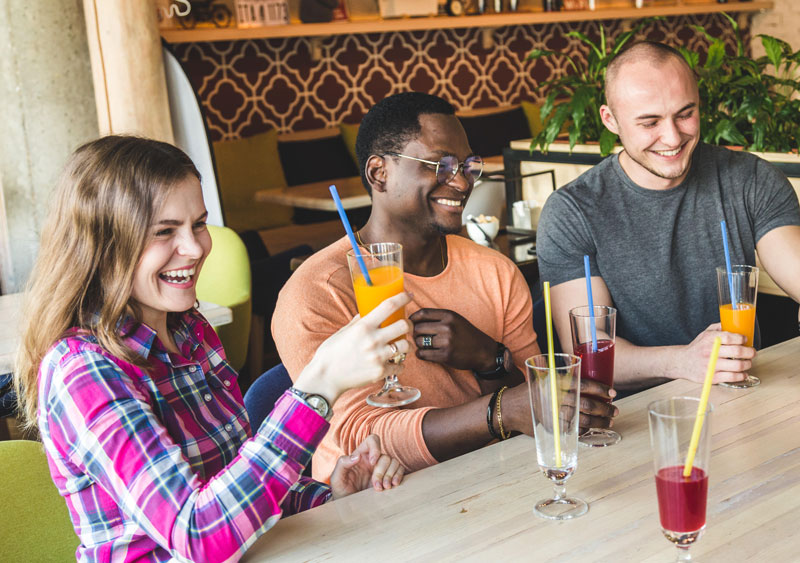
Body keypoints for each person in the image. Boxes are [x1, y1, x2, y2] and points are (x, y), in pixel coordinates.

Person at [13, 135, 409, 563]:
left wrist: (330, 494)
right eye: (165, 232)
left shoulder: (192, 332)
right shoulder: (83, 371)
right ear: (103, 246)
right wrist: (318, 386)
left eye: (198, 224)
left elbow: (236, 488)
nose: (195, 247)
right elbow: (199, 536)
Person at [272, 92, 617, 480]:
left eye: (469, 165)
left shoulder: (496, 272)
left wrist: (490, 358)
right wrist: (499, 411)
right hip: (374, 507)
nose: (460, 182)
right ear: (378, 173)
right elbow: (357, 436)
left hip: (494, 479)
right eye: (439, 165)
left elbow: (533, 404)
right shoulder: (317, 291)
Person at [536, 41, 800, 395]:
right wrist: (684, 361)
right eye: (650, 122)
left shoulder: (749, 179)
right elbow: (589, 348)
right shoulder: (572, 211)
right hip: (631, 417)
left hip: (739, 396)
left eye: (685, 113)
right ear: (610, 120)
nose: (673, 137)